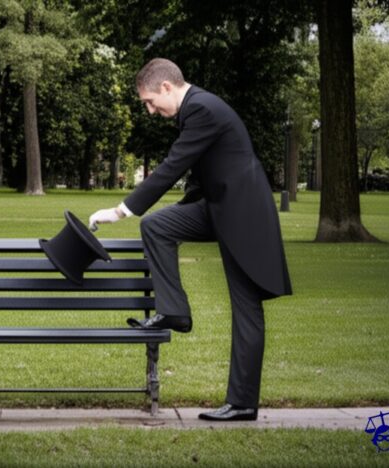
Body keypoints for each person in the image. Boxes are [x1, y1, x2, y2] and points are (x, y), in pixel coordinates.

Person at [89, 58, 292, 422]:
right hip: (216, 209)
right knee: (157, 227)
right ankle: (175, 312)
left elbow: (173, 166)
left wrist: (120, 210)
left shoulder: (201, 108)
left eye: (150, 101)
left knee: (246, 309)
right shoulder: (194, 110)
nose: (150, 111)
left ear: (167, 87)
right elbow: (201, 173)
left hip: (243, 217)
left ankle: (243, 402)